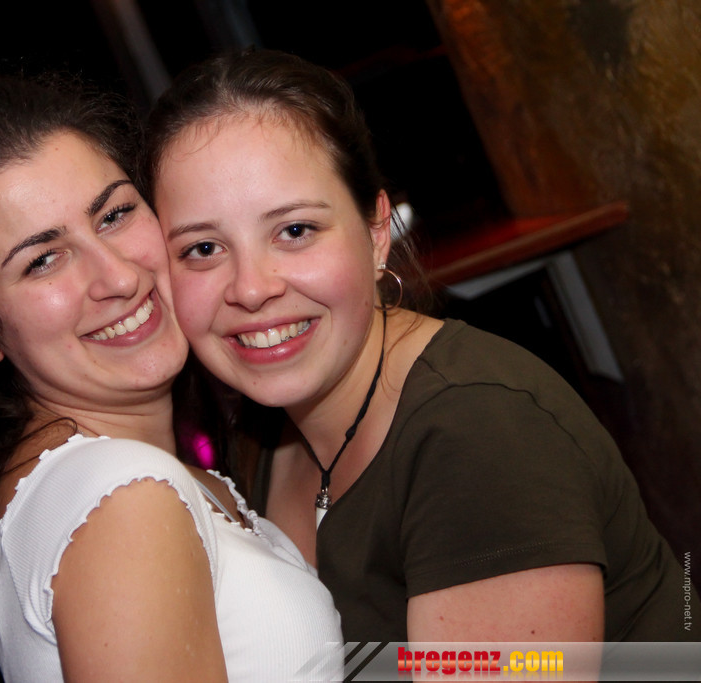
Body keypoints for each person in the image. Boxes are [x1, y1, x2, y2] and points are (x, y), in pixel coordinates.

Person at [147, 48, 690, 643]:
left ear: (377, 231)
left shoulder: (476, 430)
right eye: (203, 249)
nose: (251, 289)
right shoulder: (263, 430)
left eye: (295, 230)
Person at [0, 72, 342, 681]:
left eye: (114, 215)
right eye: (44, 260)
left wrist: (457, 656)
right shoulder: (122, 496)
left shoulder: (85, 485)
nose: (117, 277)